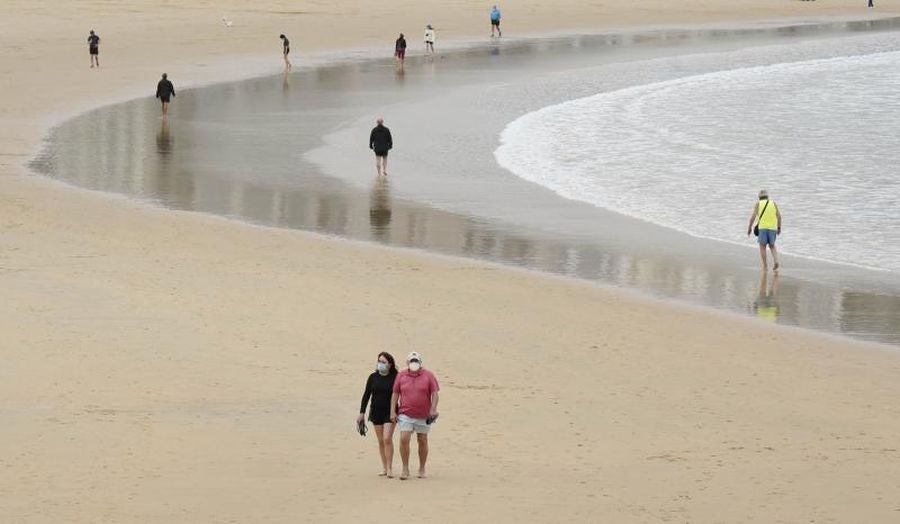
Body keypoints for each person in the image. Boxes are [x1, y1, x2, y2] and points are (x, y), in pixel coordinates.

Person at [390, 352, 439, 480]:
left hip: (423, 414)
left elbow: (435, 394)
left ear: (420, 362)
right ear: (407, 363)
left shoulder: (428, 375)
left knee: (422, 440)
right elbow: (395, 394)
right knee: (404, 438)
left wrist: (433, 409)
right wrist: (392, 411)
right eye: (411, 361)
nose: (414, 363)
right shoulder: (401, 375)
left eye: (416, 361)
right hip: (405, 413)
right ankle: (405, 468)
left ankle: (422, 468)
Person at [357, 352, 399, 478]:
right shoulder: (372, 377)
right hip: (376, 411)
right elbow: (366, 395)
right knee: (381, 441)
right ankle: (384, 467)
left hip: (390, 412)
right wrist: (361, 413)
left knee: (387, 438)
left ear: (390, 364)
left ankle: (390, 468)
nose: (380, 364)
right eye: (379, 361)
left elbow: (402, 392)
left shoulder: (396, 377)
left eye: (383, 362)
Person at [746, 189, 782, 272]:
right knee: (772, 246)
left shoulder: (758, 204)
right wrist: (779, 228)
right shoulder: (773, 203)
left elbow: (753, 217)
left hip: (763, 228)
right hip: (773, 228)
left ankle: (765, 266)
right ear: (767, 196)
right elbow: (779, 216)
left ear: (759, 197)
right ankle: (776, 261)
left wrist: (749, 228)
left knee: (762, 247)